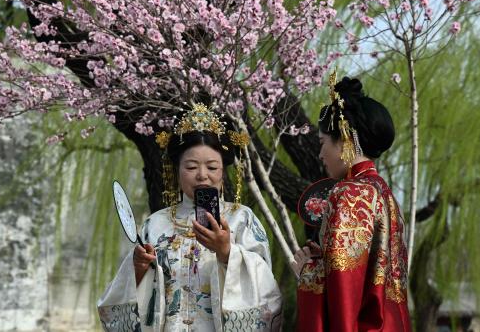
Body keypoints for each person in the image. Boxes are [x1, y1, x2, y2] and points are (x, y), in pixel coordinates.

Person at [98, 103, 282, 331]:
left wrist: (227, 253)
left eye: (212, 167)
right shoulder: (155, 224)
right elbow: (123, 299)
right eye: (191, 167)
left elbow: (266, 288)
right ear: (176, 169)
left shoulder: (241, 219)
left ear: (223, 171)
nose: (202, 175)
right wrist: (137, 269)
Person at [293, 73, 412, 331]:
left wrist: (307, 269)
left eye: (323, 142)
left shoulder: (348, 194)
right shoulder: (383, 194)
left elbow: (344, 287)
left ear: (345, 138)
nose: (321, 153)